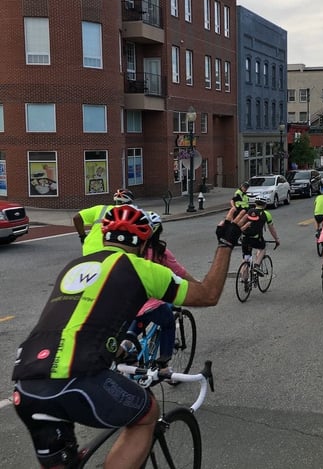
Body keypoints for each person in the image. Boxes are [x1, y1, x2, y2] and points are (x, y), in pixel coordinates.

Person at [12, 204, 247, 468]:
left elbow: (77, 320)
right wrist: (226, 241)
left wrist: (113, 348)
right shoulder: (140, 268)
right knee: (148, 413)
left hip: (26, 382)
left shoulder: (74, 266)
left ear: (103, 236)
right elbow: (208, 294)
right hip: (77, 378)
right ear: (143, 242)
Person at [127, 211, 199, 366]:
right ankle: (164, 363)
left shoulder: (131, 251)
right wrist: (198, 285)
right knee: (167, 322)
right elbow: (180, 272)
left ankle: (126, 347)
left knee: (135, 326)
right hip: (152, 303)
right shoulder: (161, 252)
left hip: (131, 301)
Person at [73, 188, 135, 255]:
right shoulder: (133, 214)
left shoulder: (101, 208)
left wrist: (82, 236)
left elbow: (77, 217)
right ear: (130, 202)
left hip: (89, 249)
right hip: (113, 252)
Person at [240, 197, 280, 278]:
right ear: (264, 205)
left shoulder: (249, 212)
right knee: (262, 248)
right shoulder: (266, 214)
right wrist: (276, 239)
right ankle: (257, 266)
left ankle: (244, 279)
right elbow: (271, 229)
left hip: (245, 238)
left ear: (255, 204)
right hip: (256, 239)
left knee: (246, 257)